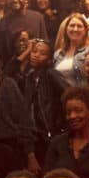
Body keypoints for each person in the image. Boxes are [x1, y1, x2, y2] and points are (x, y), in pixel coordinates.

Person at [18, 39, 68, 169]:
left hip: (51, 134)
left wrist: (61, 124)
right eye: (34, 51)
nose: (36, 55)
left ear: (49, 58)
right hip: (35, 136)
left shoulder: (51, 74)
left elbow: (69, 94)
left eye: (42, 53)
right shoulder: (29, 77)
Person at [52, 14, 89, 87]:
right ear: (66, 29)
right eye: (72, 25)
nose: (75, 29)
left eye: (79, 26)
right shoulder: (58, 54)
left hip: (83, 96)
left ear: (85, 30)